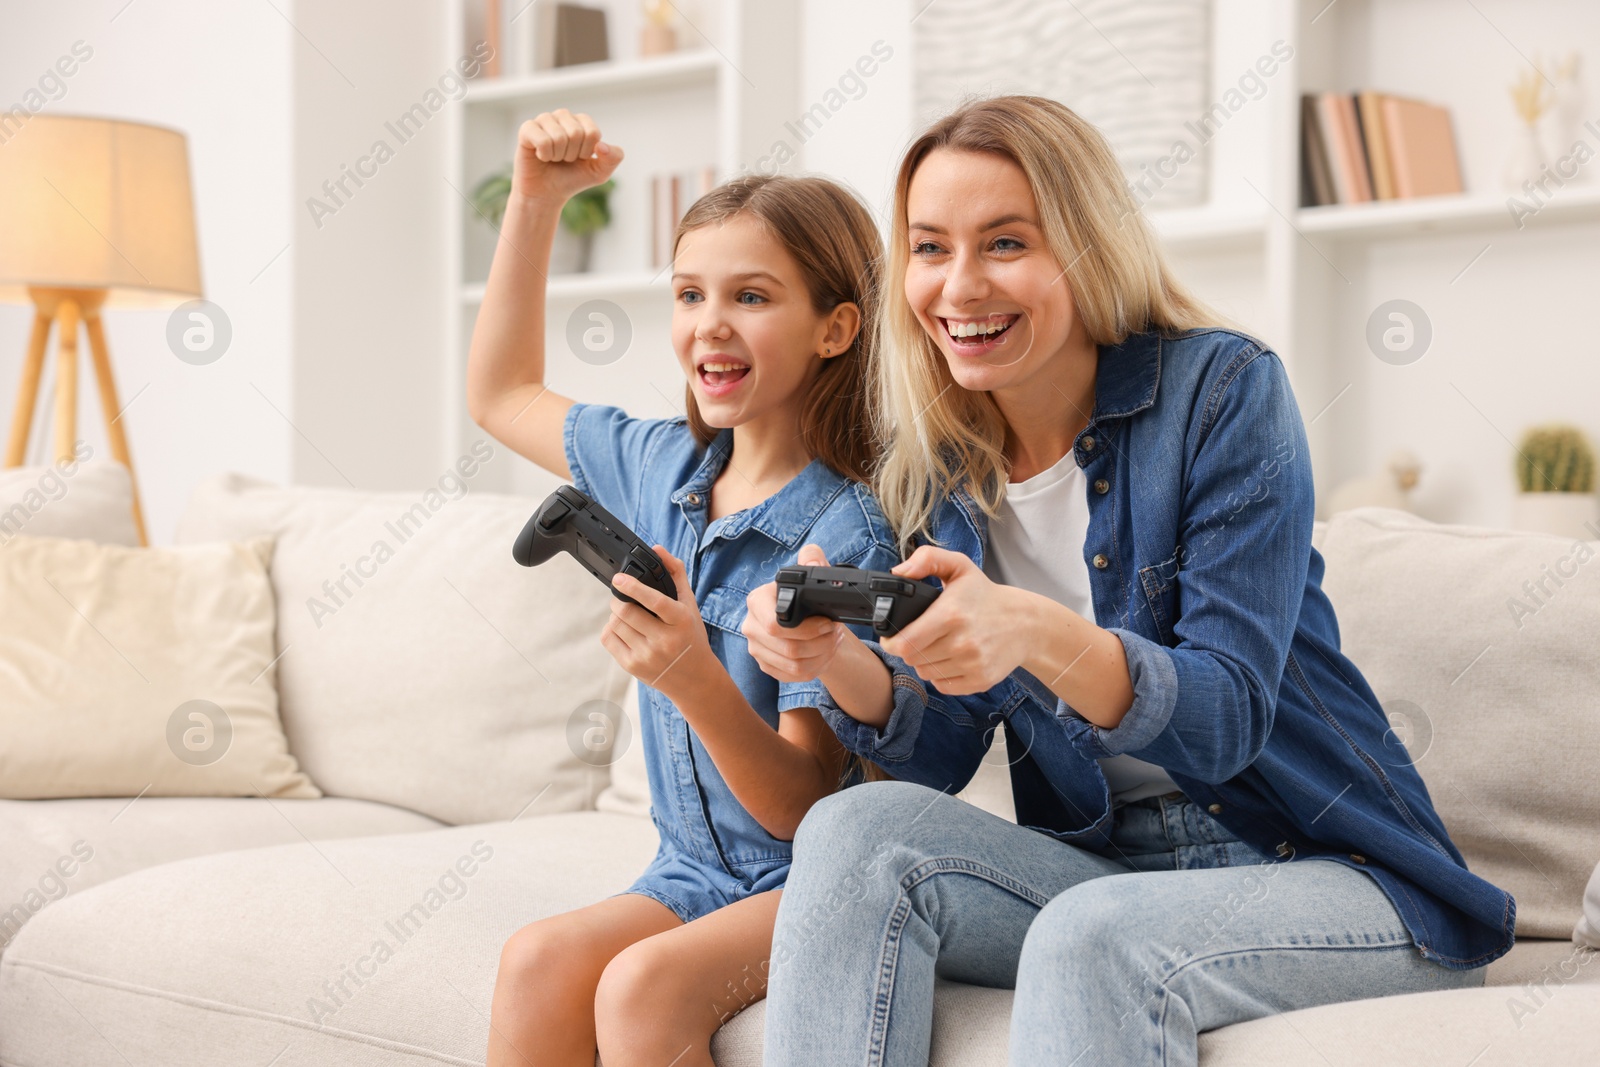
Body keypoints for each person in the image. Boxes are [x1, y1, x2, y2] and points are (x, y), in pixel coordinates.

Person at [741, 95, 1515, 1067]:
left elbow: (1226, 715)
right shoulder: (934, 471)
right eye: (930, 248)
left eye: (1006, 242)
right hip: (1107, 864)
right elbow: (938, 753)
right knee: (856, 831)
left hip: (1329, 871)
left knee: (1092, 933)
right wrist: (840, 660)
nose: (959, 286)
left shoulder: (1222, 392)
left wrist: (1027, 628)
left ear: (1084, 246)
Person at [466, 108, 902, 1067]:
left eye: (751, 296)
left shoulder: (844, 533)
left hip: (811, 880)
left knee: (641, 984)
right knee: (535, 961)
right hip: (691, 871)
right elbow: (500, 392)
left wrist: (692, 676)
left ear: (837, 328)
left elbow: (802, 808)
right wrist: (535, 202)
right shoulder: (660, 467)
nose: (710, 323)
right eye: (689, 293)